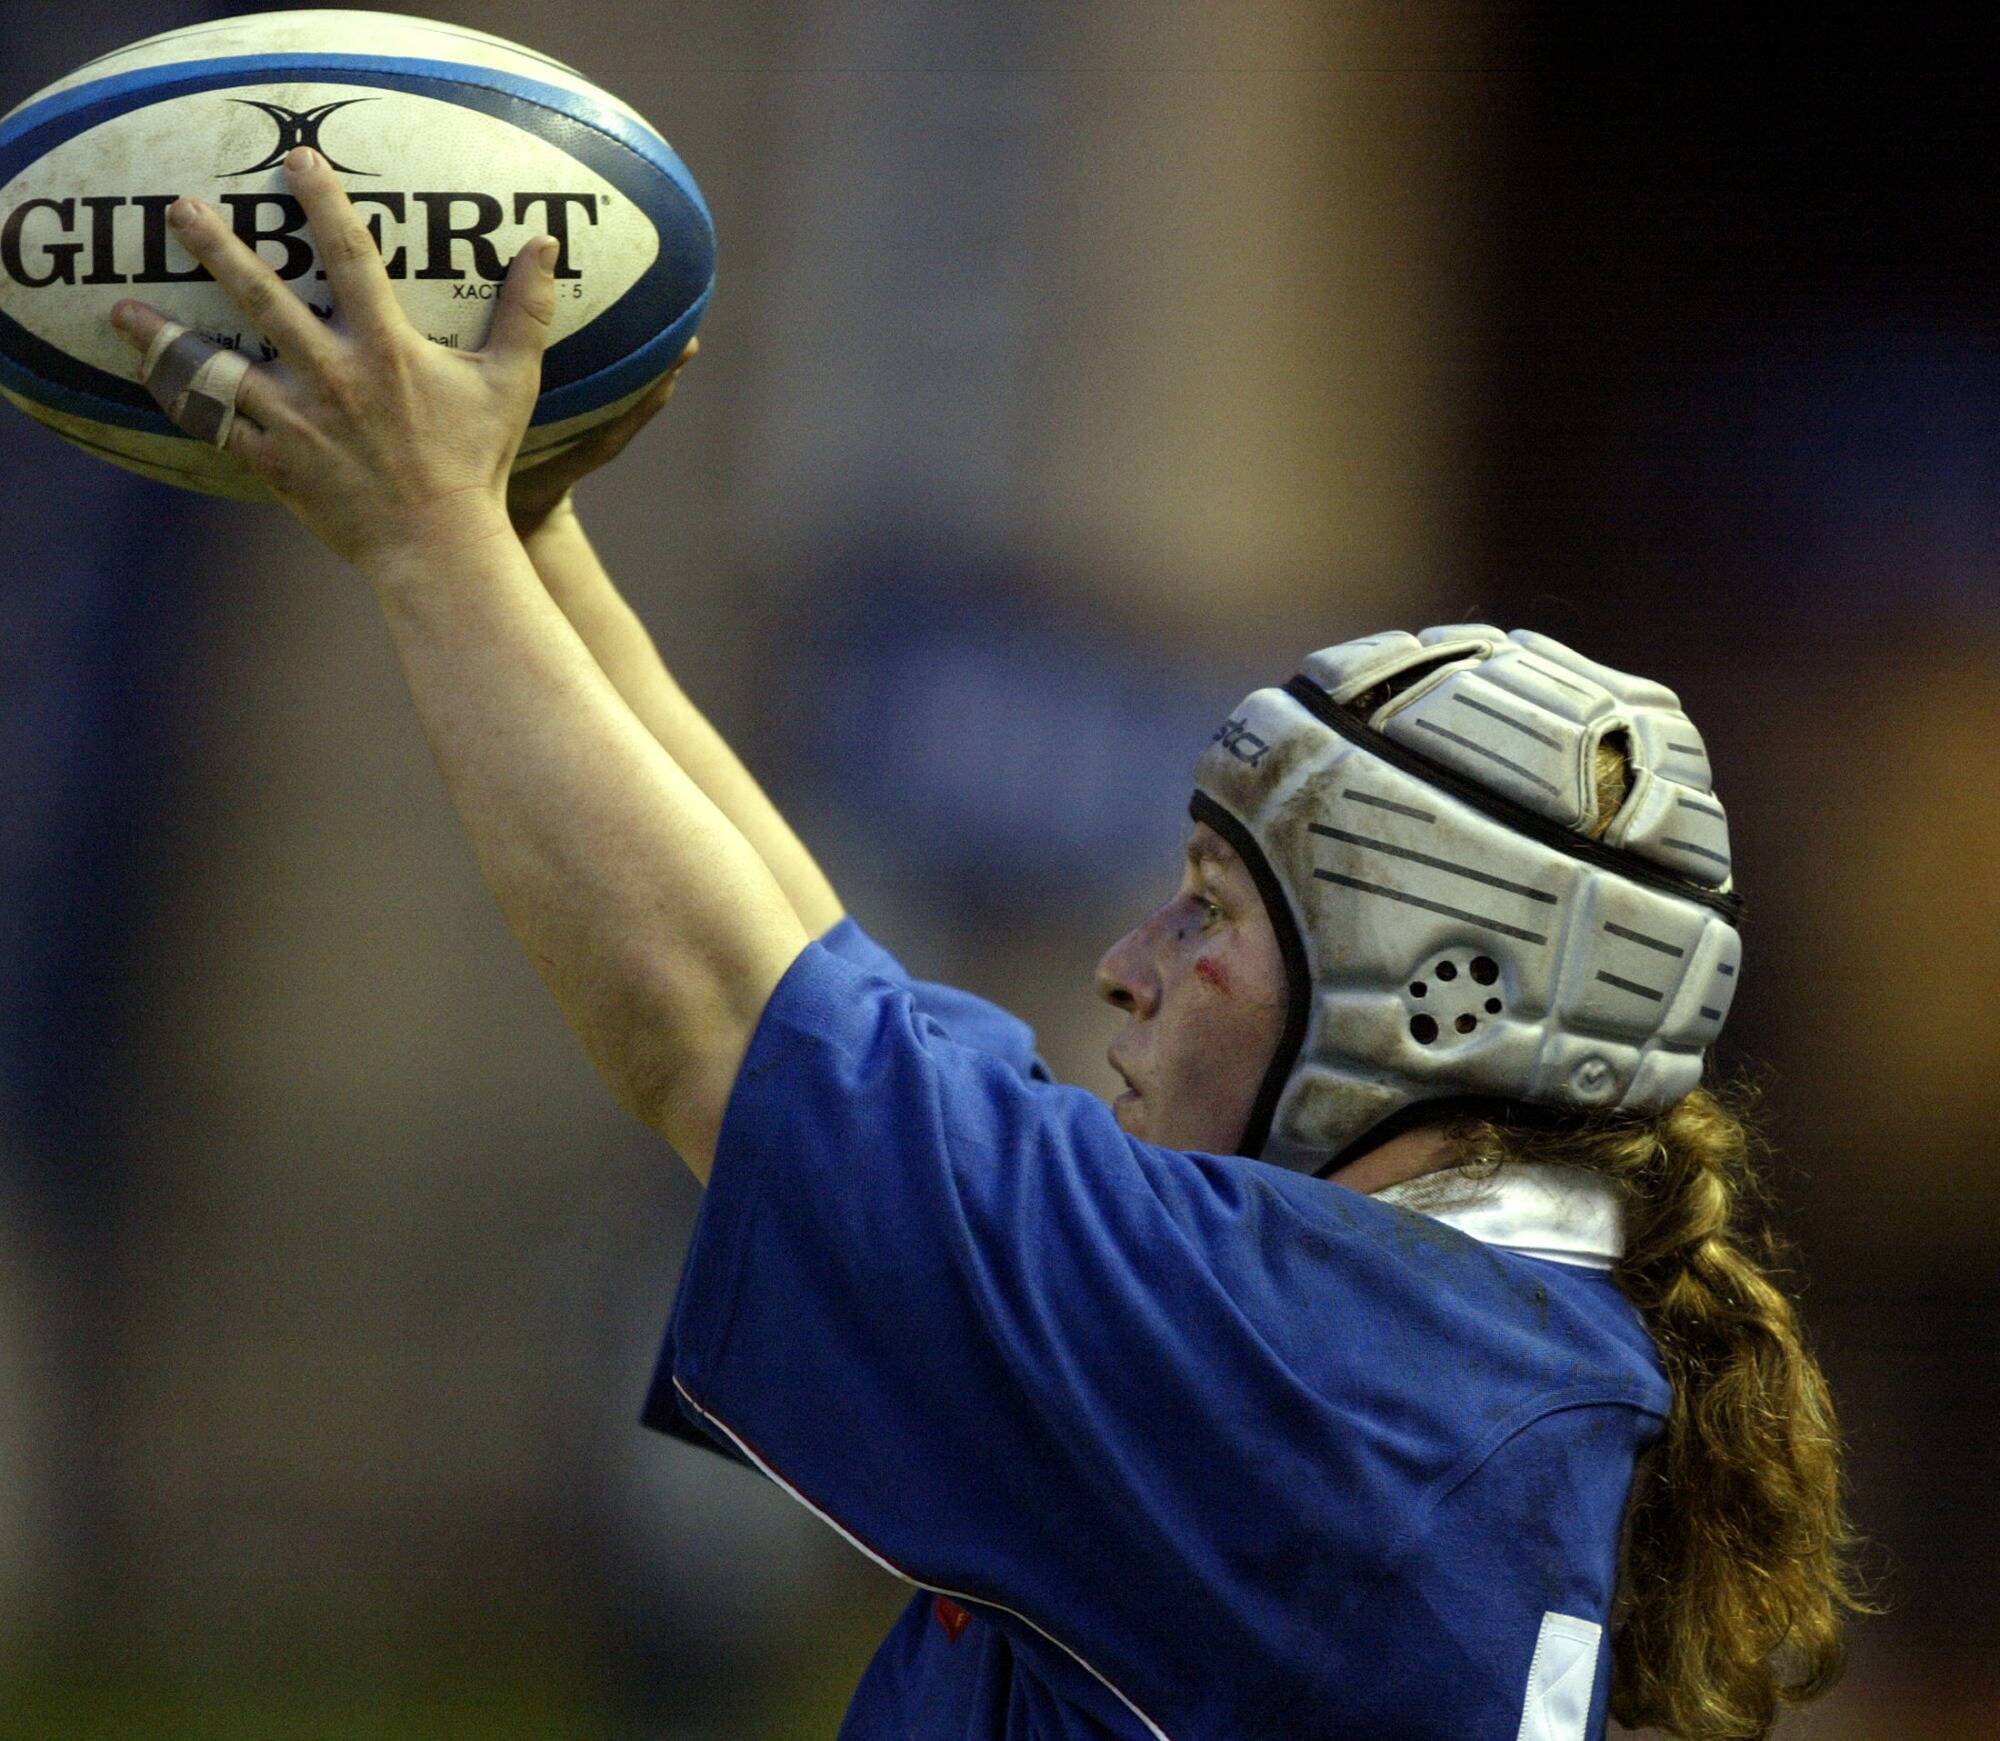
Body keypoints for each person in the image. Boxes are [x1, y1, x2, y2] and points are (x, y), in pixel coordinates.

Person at [107, 152, 1870, 1739]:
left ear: (1433, 1005)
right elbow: (807, 966)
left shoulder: (1314, 1373)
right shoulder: (1444, 1352)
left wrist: (423, 540)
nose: (1129, 958)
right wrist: (520, 530)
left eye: (1212, 909)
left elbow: (722, 1027)